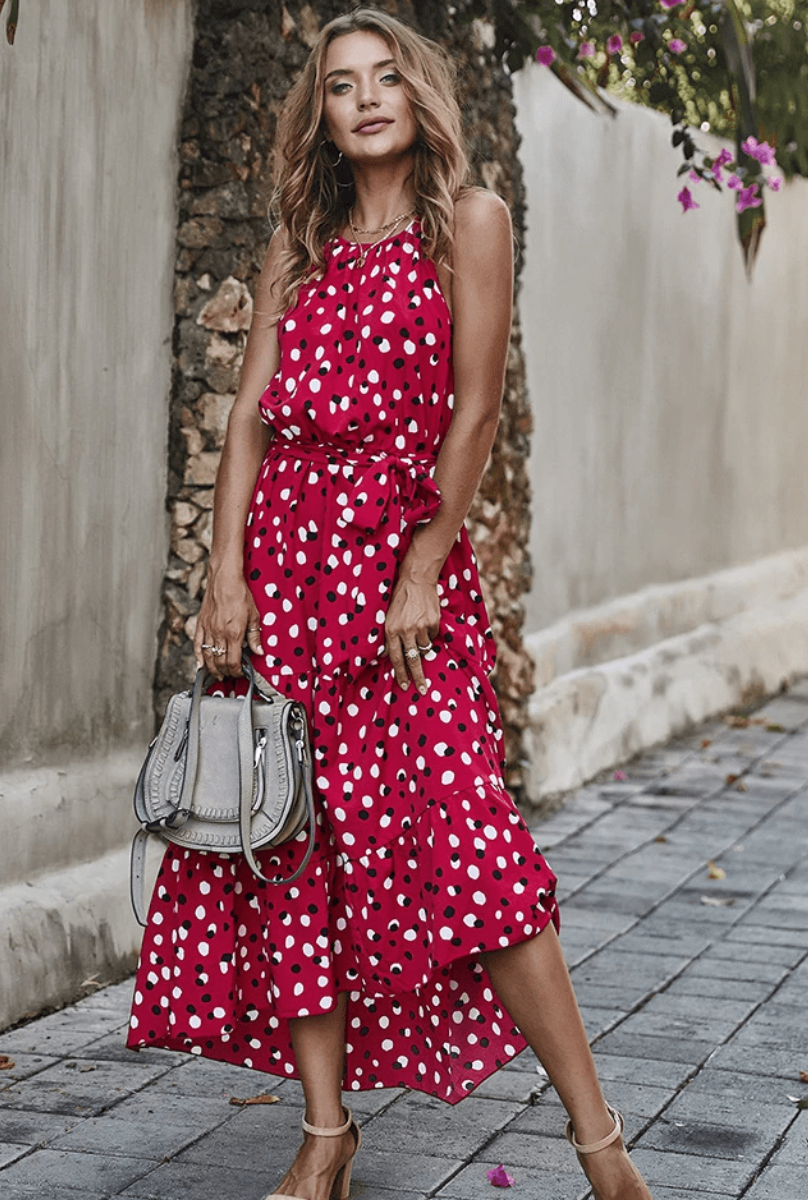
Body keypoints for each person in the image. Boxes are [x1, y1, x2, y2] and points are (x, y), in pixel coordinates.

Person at [128, 9, 653, 1200]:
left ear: (419, 97)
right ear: (319, 115)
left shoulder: (470, 222)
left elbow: (471, 413)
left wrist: (422, 567)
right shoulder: (295, 250)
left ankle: (599, 1142)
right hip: (289, 590)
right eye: (338, 86)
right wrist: (226, 578)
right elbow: (252, 417)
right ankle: (324, 1136)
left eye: (384, 80)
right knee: (290, 848)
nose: (363, 100)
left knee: (470, 847)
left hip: (398, 593)